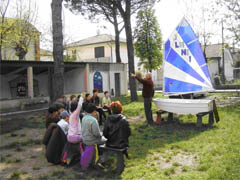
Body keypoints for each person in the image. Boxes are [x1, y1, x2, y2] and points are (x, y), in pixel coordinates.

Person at [80, 103, 107, 170]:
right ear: (93, 111)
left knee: (101, 140)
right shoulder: (93, 120)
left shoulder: (84, 118)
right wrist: (102, 134)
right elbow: (97, 134)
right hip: (91, 140)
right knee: (106, 140)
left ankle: (97, 157)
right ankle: (102, 159)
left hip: (84, 139)